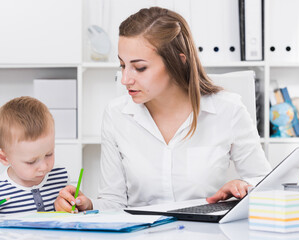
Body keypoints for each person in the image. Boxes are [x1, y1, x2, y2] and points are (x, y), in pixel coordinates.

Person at [55, 6, 271, 212]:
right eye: (122, 65)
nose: (125, 79)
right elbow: (114, 202)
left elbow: (265, 183)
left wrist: (243, 186)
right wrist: (88, 206)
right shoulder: (116, 114)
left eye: (140, 68)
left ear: (179, 62)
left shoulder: (228, 109)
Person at [0, 96, 70, 217]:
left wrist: (83, 205)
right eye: (31, 162)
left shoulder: (60, 176)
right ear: (4, 158)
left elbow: (78, 214)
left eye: (49, 154)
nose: (43, 166)